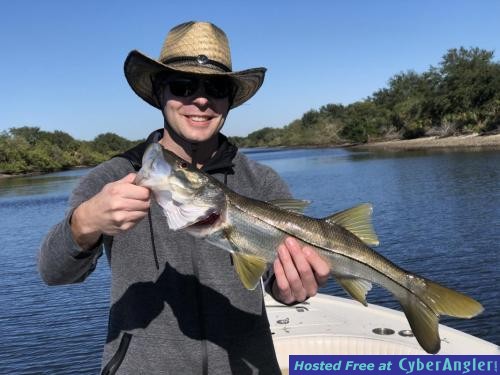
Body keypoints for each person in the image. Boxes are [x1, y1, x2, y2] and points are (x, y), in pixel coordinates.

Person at [39, 21, 330, 374]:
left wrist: (292, 288)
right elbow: (54, 272)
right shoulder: (112, 178)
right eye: (183, 85)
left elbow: (273, 280)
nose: (202, 99)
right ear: (160, 92)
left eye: (217, 87)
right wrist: (84, 223)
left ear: (229, 101)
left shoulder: (261, 181)